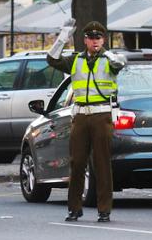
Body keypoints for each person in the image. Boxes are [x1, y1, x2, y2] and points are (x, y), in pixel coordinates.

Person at [47, 19, 126, 223]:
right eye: (91, 38)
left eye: (98, 38)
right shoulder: (76, 60)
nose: (94, 41)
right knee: (77, 163)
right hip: (81, 116)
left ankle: (104, 209)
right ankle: (74, 208)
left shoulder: (109, 59)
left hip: (102, 116)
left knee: (102, 163)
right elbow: (52, 60)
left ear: (103, 39)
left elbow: (120, 64)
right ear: (85, 40)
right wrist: (63, 37)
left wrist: (107, 54)